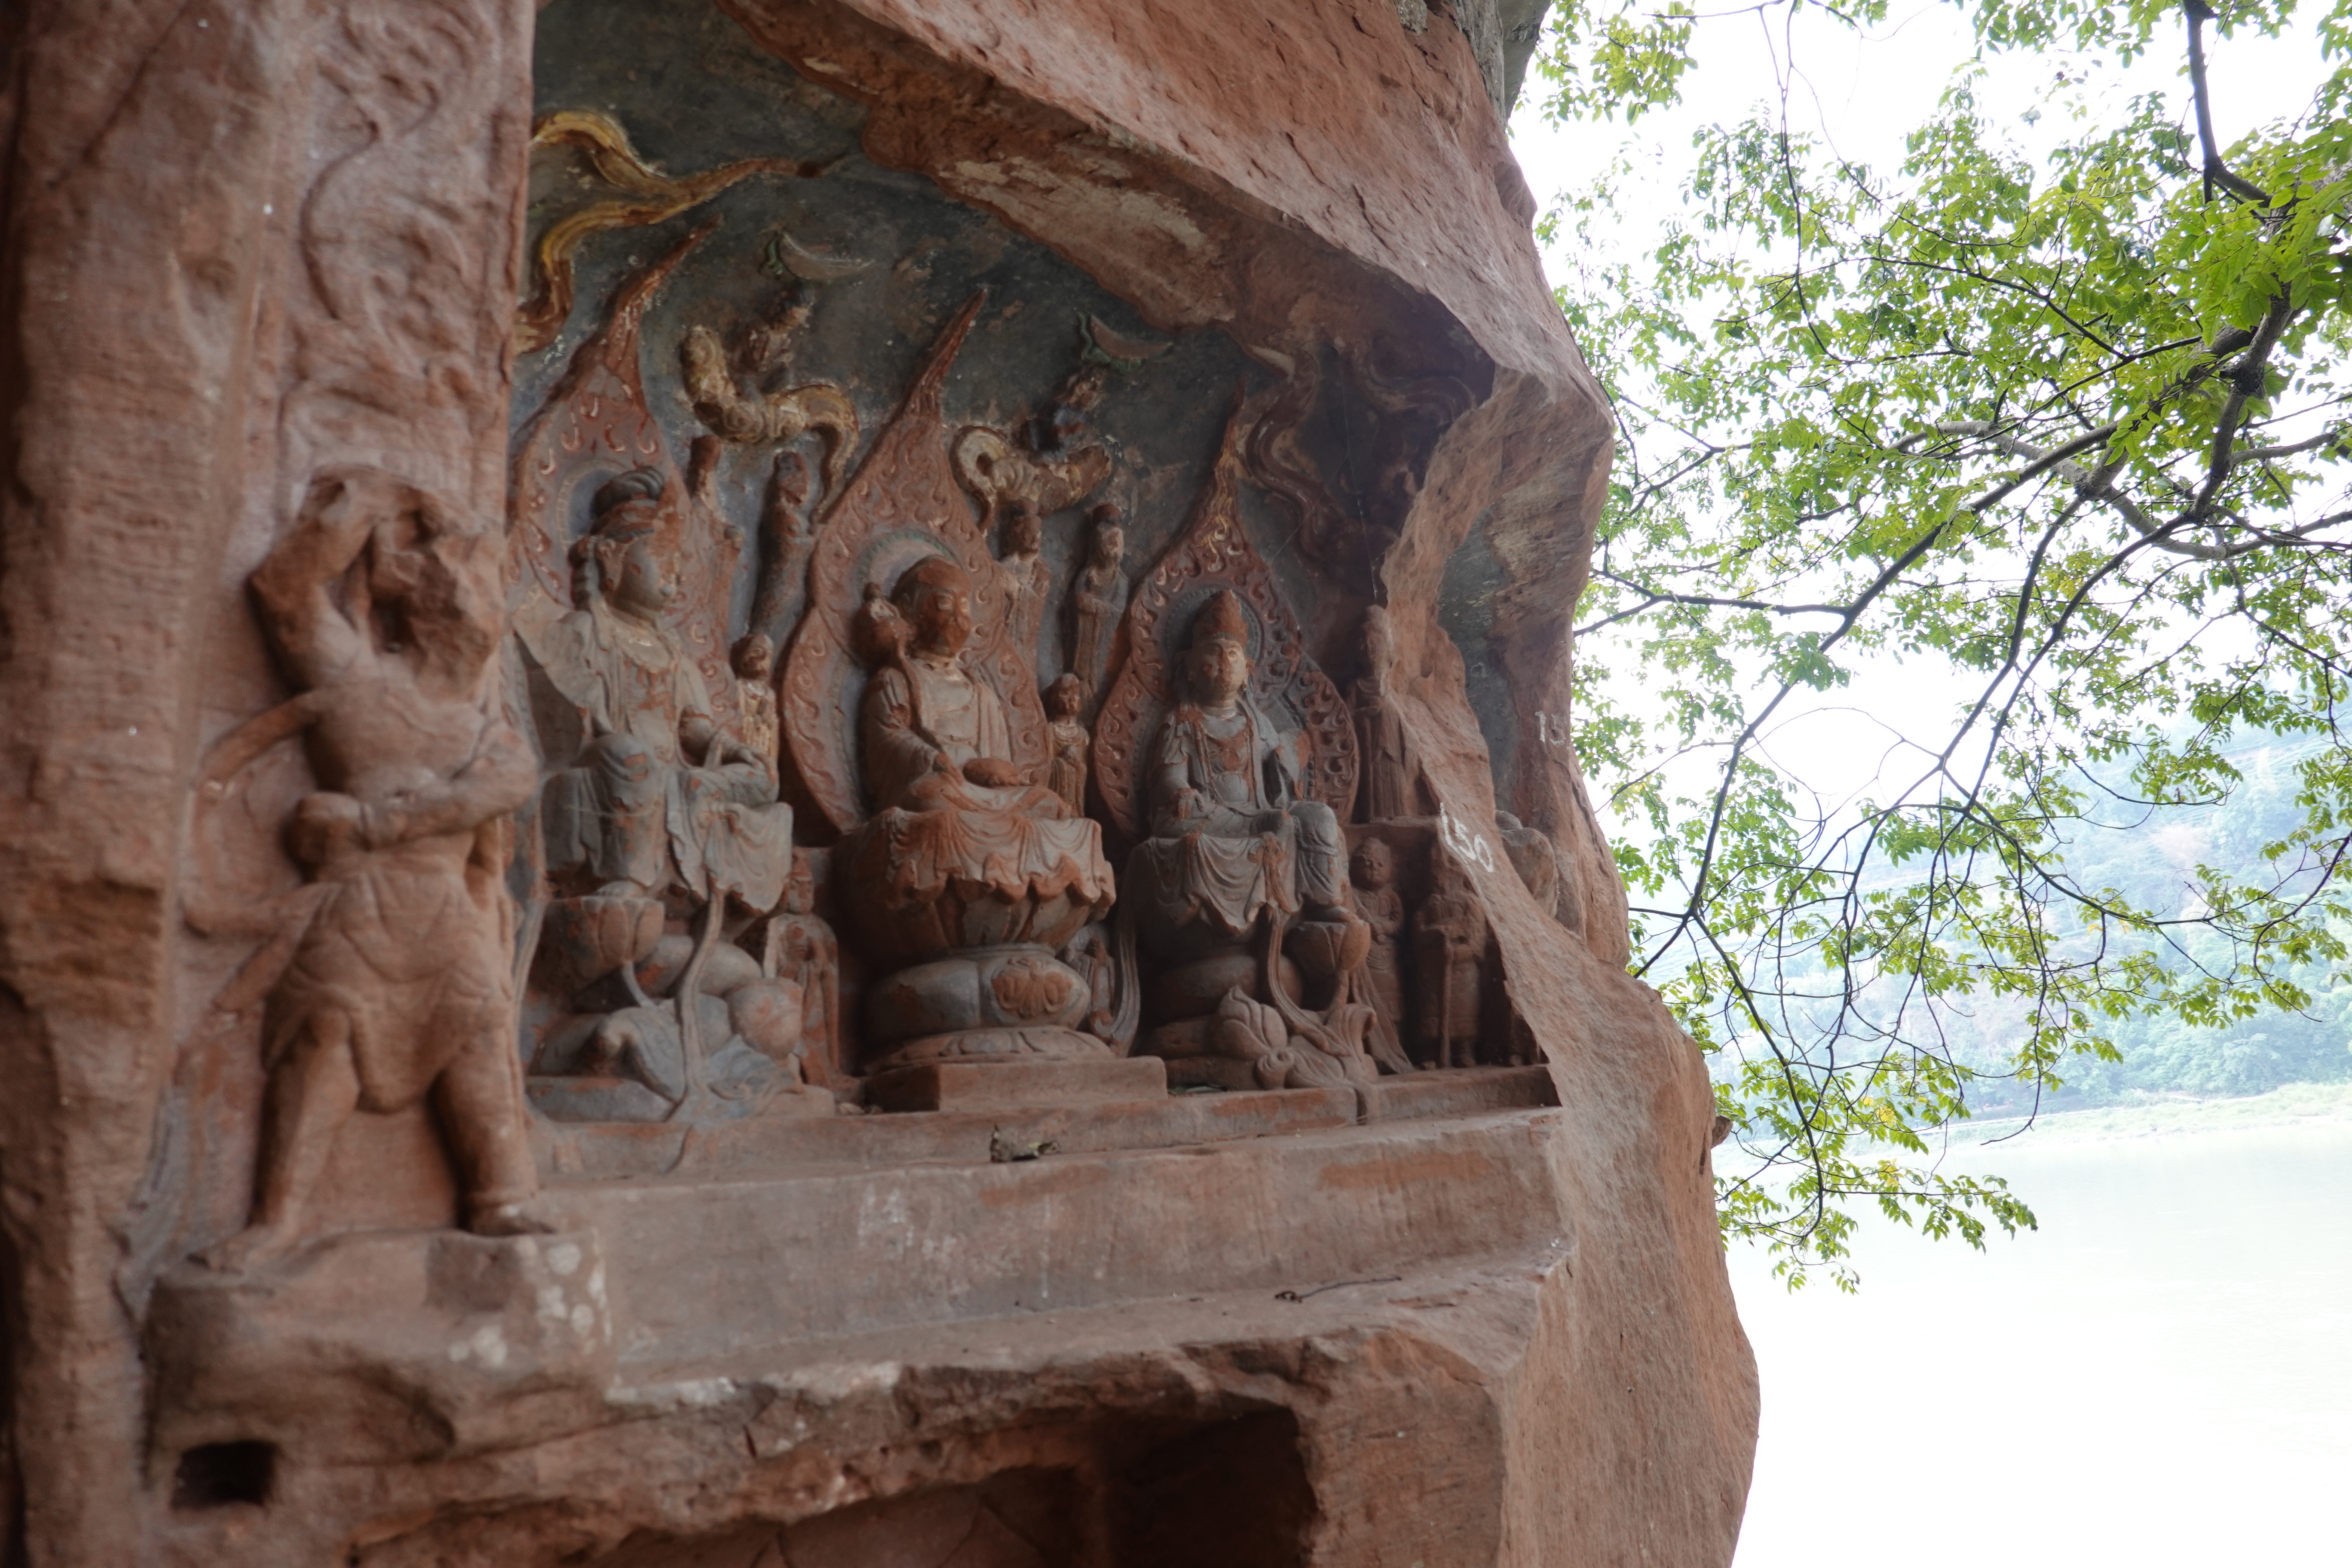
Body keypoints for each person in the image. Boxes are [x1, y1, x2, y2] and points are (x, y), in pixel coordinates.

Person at [204, 469, 551, 1270]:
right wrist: (357, 504)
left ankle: (501, 1197)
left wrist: (372, 820)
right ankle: (278, 1218)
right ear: (425, 609)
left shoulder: (484, 728)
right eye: (470, 589)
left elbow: (501, 788)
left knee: (476, 1026)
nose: (485, 612)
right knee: (325, 1032)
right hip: (358, 909)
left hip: (439, 909)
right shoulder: (358, 684)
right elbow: (282, 591)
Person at [530, 469, 790, 911]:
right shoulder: (586, 631)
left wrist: (730, 749)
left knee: (763, 777)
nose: (675, 575)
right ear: (613, 560)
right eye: (662, 558)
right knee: (628, 755)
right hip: (614, 761)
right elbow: (569, 721)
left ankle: (690, 830)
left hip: (674, 774)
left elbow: (694, 729)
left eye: (679, 564)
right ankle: (630, 873)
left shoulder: (674, 652)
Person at [1132, 589, 1351, 939]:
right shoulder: (1182, 721)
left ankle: (1324, 901)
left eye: (1233, 654)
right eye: (1213, 653)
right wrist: (1183, 791)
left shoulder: (1258, 724)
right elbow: (1170, 780)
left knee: (1317, 818)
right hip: (1208, 818)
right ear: (1188, 667)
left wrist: (1286, 760)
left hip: (1259, 813)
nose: (1224, 663)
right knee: (1196, 840)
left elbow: (1280, 790)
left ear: (1248, 669)